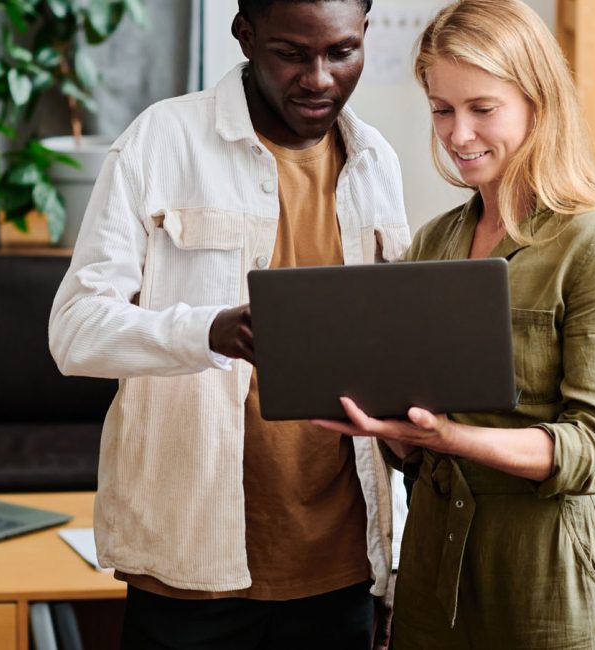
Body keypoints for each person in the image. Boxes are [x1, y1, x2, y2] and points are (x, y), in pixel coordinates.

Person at [46, 0, 411, 646]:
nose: (320, 78)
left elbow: (390, 367)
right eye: (292, 54)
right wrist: (205, 332)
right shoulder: (161, 142)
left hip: (342, 563)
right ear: (245, 35)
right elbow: (74, 330)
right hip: (191, 562)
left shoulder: (376, 162)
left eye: (341, 52)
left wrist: (395, 563)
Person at [311, 0, 595, 647]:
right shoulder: (434, 242)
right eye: (442, 110)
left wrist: (450, 437)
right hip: (434, 567)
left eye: (482, 108)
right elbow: (415, 430)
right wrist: (394, 431)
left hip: (547, 570)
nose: (457, 134)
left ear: (538, 101)